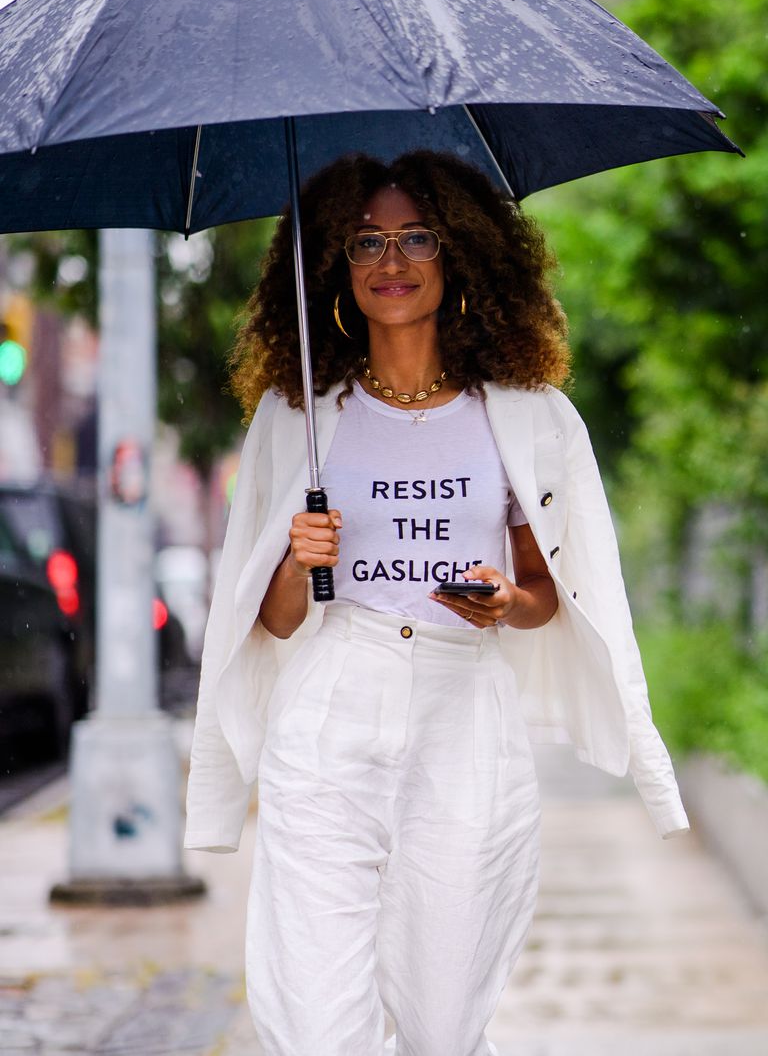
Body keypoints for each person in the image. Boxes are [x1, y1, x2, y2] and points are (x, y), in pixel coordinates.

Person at [184, 150, 688, 1056]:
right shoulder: (299, 416)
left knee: (445, 1019)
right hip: (333, 702)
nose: (392, 259)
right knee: (313, 1016)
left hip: (465, 716)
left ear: (461, 254)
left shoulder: (524, 412)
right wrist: (300, 561)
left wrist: (505, 600)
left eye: (418, 236)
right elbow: (270, 621)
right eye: (365, 240)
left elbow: (546, 591)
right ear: (332, 265)